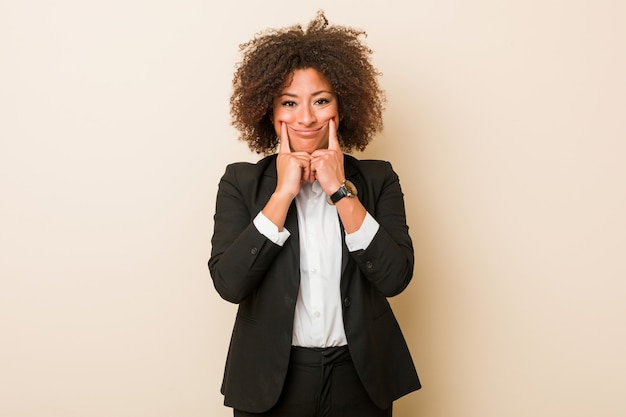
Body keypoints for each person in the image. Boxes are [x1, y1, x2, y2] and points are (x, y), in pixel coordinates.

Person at [209, 10, 421, 417]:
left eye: (320, 100)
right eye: (290, 103)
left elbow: (396, 278)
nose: (305, 117)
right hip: (272, 380)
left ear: (341, 108)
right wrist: (284, 192)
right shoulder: (240, 183)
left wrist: (340, 191)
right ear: (270, 113)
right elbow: (228, 283)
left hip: (360, 377)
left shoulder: (378, 180)